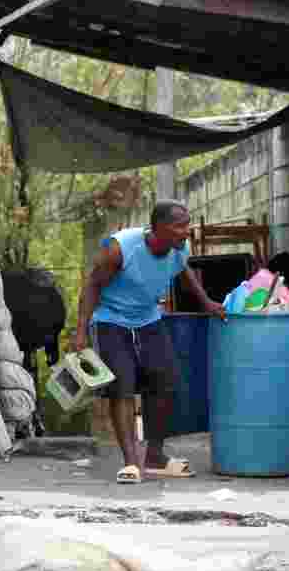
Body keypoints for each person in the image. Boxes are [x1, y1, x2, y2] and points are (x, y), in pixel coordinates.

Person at [73, 200, 225, 483]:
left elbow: (185, 270)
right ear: (157, 228)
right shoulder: (121, 248)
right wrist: (81, 330)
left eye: (187, 224)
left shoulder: (178, 249)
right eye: (179, 226)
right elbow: (93, 284)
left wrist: (206, 302)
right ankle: (131, 463)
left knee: (165, 382)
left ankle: (154, 456)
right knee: (123, 387)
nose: (186, 231)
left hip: (148, 318)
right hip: (111, 320)